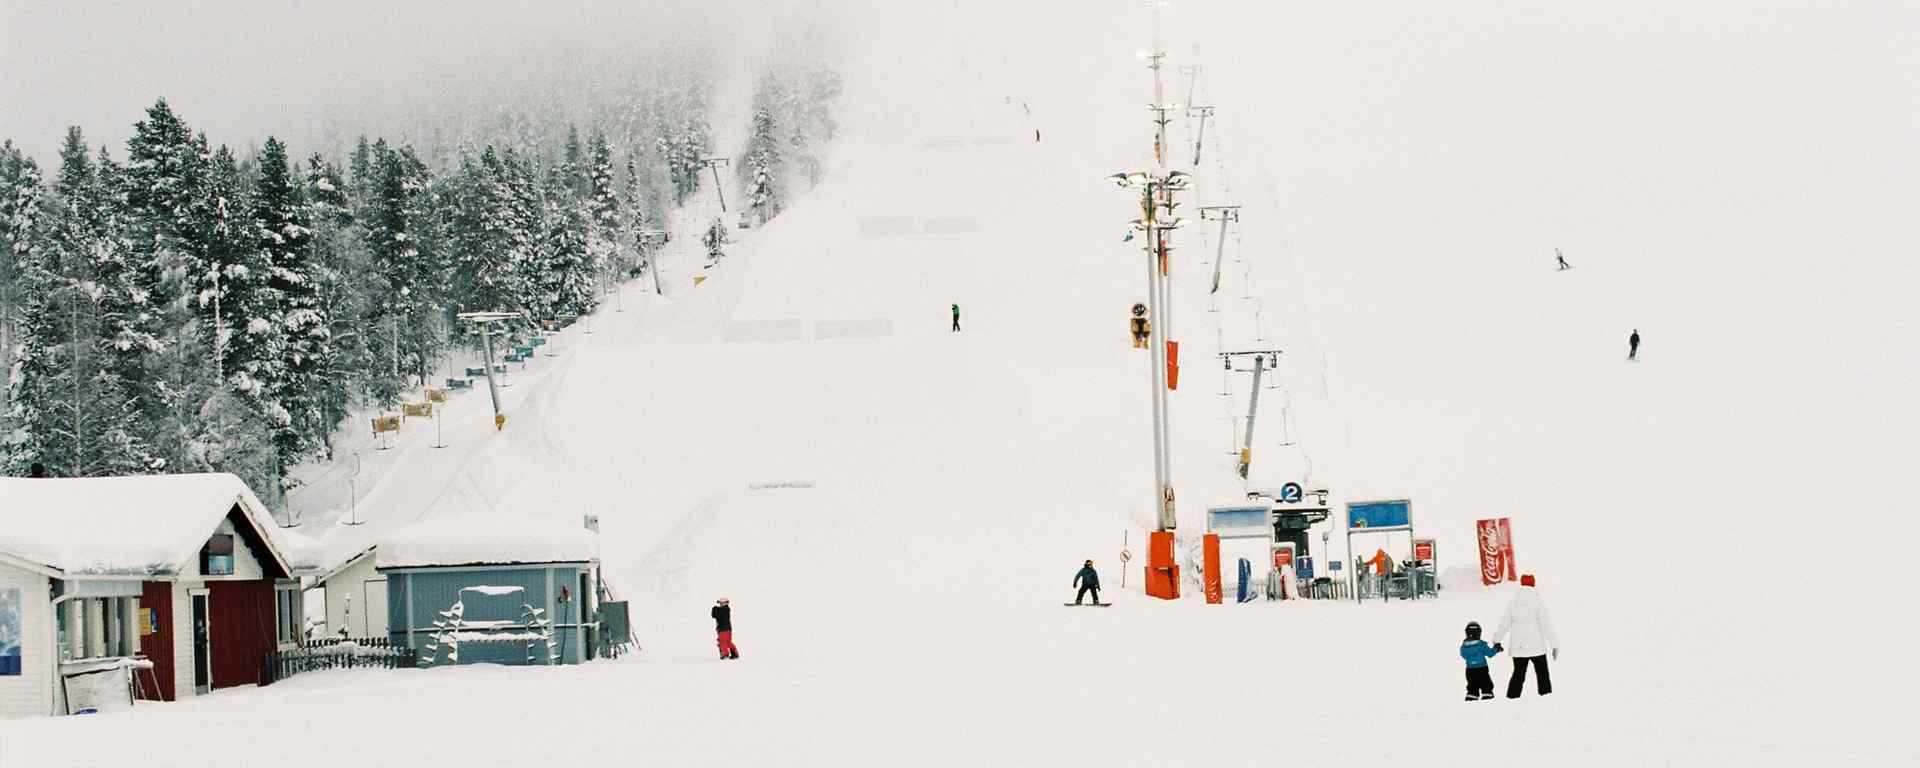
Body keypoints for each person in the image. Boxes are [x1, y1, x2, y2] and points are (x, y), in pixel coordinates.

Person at [1490, 574, 1559, 698]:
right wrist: (1554, 645)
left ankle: (1511, 699)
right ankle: (1546, 699)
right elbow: (1547, 625)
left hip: (1518, 647)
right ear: (1533, 584)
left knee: (1518, 675)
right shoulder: (1538, 602)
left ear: (1522, 584)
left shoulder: (1513, 603)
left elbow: (1504, 624)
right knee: (1542, 674)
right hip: (1536, 647)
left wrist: (1496, 639)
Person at [1460, 621, 1503, 701]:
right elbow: (1490, 653)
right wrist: (1497, 649)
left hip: (1470, 669)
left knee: (1472, 683)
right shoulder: (1481, 644)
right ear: (1479, 633)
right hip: (1481, 668)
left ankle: (1472, 695)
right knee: (1485, 682)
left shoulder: (1463, 646)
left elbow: (1464, 656)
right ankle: (1487, 694)